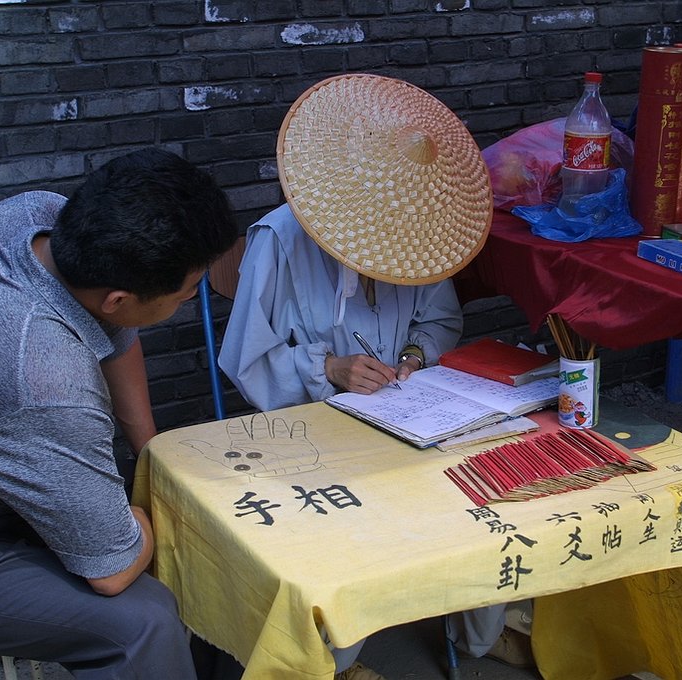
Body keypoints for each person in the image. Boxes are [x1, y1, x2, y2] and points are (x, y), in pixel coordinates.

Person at [0, 148, 238, 679]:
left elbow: (117, 333)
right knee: (142, 619)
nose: (192, 297)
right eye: (187, 292)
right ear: (118, 298)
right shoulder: (43, 381)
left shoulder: (36, 217)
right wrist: (163, 518)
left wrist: (154, 456)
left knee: (194, 541)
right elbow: (113, 572)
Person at [219, 74, 536, 680]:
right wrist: (327, 368)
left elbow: (438, 318)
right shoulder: (280, 240)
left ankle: (475, 629)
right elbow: (247, 362)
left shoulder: (420, 227)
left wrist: (415, 355)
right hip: (312, 421)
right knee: (361, 513)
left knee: (488, 481)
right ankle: (332, 659)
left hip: (405, 404)